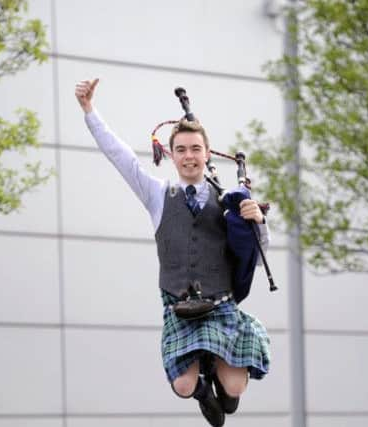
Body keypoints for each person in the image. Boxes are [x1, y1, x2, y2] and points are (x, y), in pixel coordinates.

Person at [75, 78, 271, 427]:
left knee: (236, 385)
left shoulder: (229, 201)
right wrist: (90, 111)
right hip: (179, 305)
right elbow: (120, 156)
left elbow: (255, 250)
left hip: (221, 302)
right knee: (181, 384)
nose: (189, 156)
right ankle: (199, 389)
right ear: (171, 154)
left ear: (207, 154)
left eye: (195, 148)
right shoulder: (156, 195)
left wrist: (257, 221)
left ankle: (219, 377)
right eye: (181, 149)